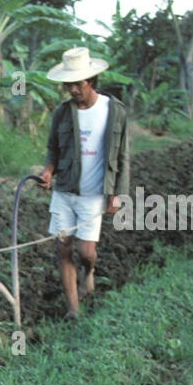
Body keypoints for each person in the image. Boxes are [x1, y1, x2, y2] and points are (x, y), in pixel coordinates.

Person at [37, 47, 131, 320]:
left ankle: (89, 271)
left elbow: (123, 155)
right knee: (63, 246)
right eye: (68, 84)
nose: (72, 89)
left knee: (86, 251)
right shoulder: (62, 113)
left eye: (77, 83)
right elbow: (52, 149)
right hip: (65, 190)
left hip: (94, 194)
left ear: (91, 81)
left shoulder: (114, 111)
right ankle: (73, 309)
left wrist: (117, 195)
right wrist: (47, 172)